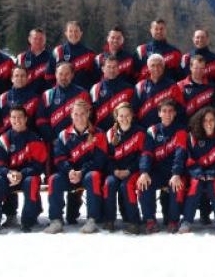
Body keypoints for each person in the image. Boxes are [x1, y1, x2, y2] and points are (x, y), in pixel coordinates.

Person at [44, 100, 108, 234]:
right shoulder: (63, 135)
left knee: (93, 176)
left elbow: (99, 160)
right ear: (71, 115)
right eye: (76, 114)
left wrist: (82, 172)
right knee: (54, 179)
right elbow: (59, 158)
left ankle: (92, 220)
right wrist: (69, 171)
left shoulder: (99, 134)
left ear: (88, 114)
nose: (79, 117)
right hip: (70, 175)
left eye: (82, 114)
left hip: (87, 174)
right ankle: (56, 220)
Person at [0, 106, 47, 234]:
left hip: (27, 176)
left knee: (31, 182)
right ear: (9, 119)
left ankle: (28, 221)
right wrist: (8, 173)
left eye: (20, 117)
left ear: (26, 119)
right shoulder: (4, 139)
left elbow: (38, 165)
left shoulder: (34, 138)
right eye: (13, 117)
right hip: (8, 176)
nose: (16, 120)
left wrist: (21, 174)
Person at [179, 107, 215, 235]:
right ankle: (186, 221)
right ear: (200, 122)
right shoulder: (193, 138)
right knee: (195, 186)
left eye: (211, 120)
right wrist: (198, 173)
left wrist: (212, 173)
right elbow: (189, 160)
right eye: (205, 120)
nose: (209, 123)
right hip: (197, 174)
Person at [138, 100, 188, 233]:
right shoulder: (152, 130)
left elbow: (180, 153)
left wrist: (176, 173)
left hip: (174, 172)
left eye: (170, 111)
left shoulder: (181, 130)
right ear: (159, 113)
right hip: (157, 172)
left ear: (175, 113)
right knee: (143, 183)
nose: (167, 114)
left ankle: (173, 221)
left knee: (178, 185)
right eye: (164, 111)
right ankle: (150, 220)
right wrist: (144, 172)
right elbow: (146, 153)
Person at [103, 103, 145, 234]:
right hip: (116, 171)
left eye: (127, 115)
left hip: (133, 171)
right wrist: (115, 170)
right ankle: (109, 220)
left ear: (132, 116)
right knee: (109, 184)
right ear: (116, 117)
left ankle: (134, 222)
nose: (124, 118)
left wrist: (129, 170)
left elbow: (142, 156)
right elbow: (108, 157)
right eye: (121, 116)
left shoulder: (139, 132)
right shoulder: (110, 133)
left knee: (126, 186)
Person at [36, 62, 92, 143]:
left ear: (72, 75)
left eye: (67, 74)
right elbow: (41, 120)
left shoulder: (82, 93)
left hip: (78, 141)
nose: (63, 77)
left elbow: (89, 117)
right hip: (55, 142)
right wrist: (53, 139)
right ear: (56, 74)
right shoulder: (47, 95)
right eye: (60, 74)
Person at [133, 53, 184, 128]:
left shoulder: (172, 86)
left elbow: (180, 109)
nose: (156, 68)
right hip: (145, 130)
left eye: (159, 65)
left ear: (163, 67)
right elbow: (134, 111)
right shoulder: (140, 86)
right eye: (153, 65)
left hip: (167, 130)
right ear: (148, 68)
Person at [46, 20, 99, 91]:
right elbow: (49, 76)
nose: (73, 34)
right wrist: (57, 90)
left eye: (76, 31)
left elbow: (96, 77)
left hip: (82, 94)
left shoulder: (89, 53)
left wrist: (87, 91)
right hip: (62, 95)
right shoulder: (58, 51)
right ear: (66, 33)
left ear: (81, 33)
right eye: (70, 31)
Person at [90, 54, 135, 131]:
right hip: (101, 132)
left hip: (123, 131)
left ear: (118, 68)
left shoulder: (129, 89)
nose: (112, 70)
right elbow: (91, 114)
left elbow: (133, 113)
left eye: (114, 67)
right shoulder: (95, 89)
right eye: (109, 67)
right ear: (103, 69)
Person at [0, 66, 40, 134]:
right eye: (16, 76)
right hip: (8, 136)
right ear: (12, 79)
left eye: (22, 76)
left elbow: (38, 121)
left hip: (29, 136)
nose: (19, 78)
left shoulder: (36, 98)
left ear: (27, 78)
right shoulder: (2, 98)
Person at [15, 28, 52, 94]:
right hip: (25, 96)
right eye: (35, 38)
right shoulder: (21, 57)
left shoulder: (52, 58)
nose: (38, 41)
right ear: (29, 39)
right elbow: (16, 80)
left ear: (45, 40)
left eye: (41, 39)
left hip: (44, 96)